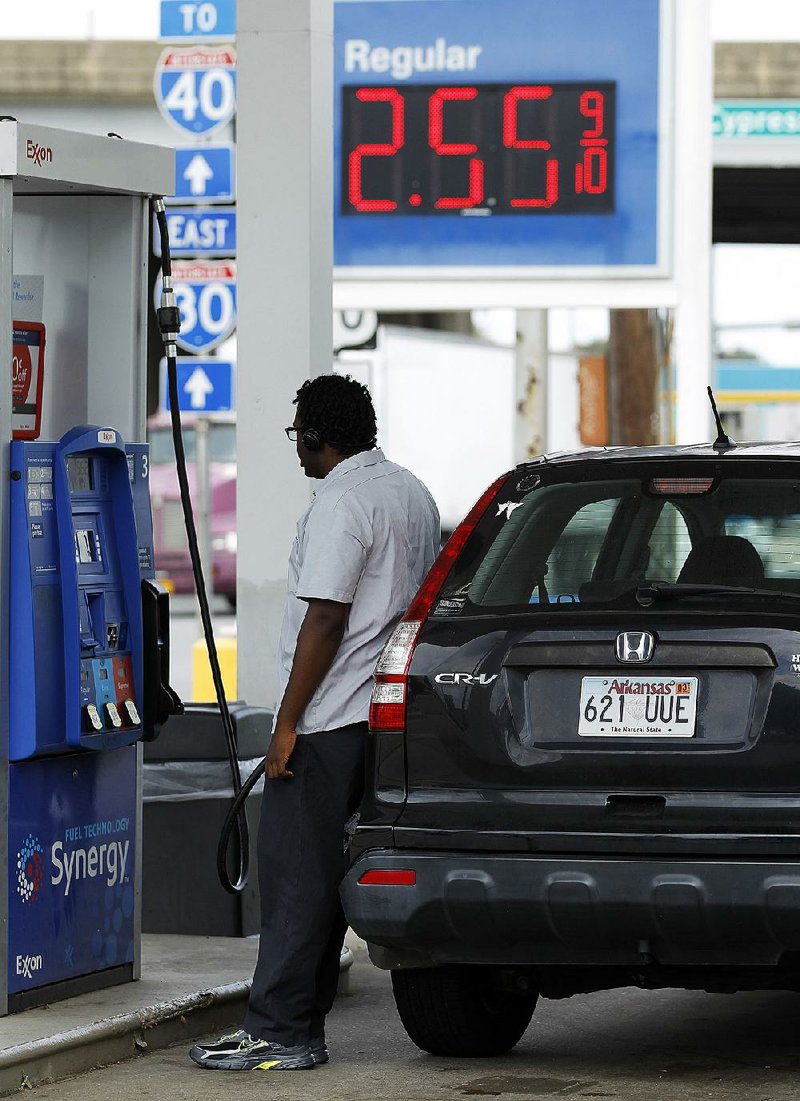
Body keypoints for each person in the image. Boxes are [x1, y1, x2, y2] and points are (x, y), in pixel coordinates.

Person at [189, 374, 440, 1072]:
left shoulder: (343, 500)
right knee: (328, 880)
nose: (295, 443)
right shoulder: (410, 491)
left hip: (328, 718)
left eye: (297, 430)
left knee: (296, 875)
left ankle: (281, 1030)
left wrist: (286, 722)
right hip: (382, 720)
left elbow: (325, 616)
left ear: (316, 435)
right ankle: (300, 1023)